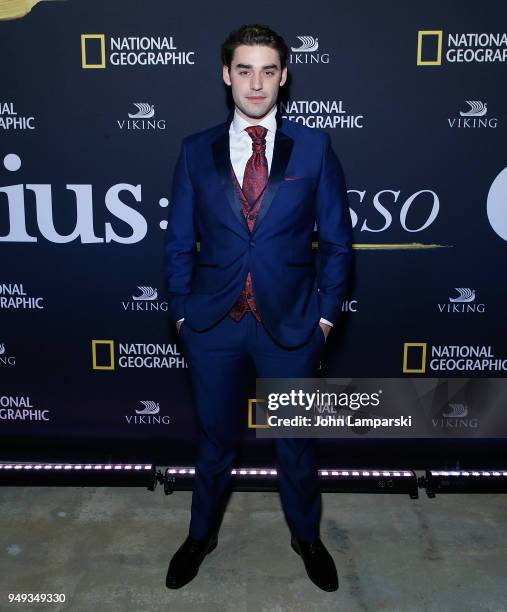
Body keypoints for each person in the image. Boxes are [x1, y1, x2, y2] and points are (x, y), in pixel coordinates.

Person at [164, 23, 353, 592]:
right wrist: (180, 313)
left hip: (291, 328)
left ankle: (307, 537)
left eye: (268, 70)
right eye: (244, 69)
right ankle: (201, 536)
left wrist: (323, 318)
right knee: (215, 441)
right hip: (213, 326)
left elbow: (339, 244)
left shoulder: (315, 147)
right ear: (226, 75)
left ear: (283, 76)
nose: (256, 82)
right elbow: (177, 242)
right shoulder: (196, 150)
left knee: (295, 443)